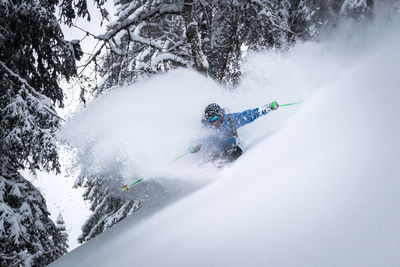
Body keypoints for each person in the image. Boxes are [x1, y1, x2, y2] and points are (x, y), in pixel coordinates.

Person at [189, 101, 279, 163]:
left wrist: (268, 107)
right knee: (212, 157)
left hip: (231, 150)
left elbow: (250, 115)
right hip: (215, 153)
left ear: (220, 115)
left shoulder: (230, 120)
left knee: (236, 152)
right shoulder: (207, 128)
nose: (213, 122)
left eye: (214, 118)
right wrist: (194, 147)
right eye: (210, 120)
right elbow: (200, 139)